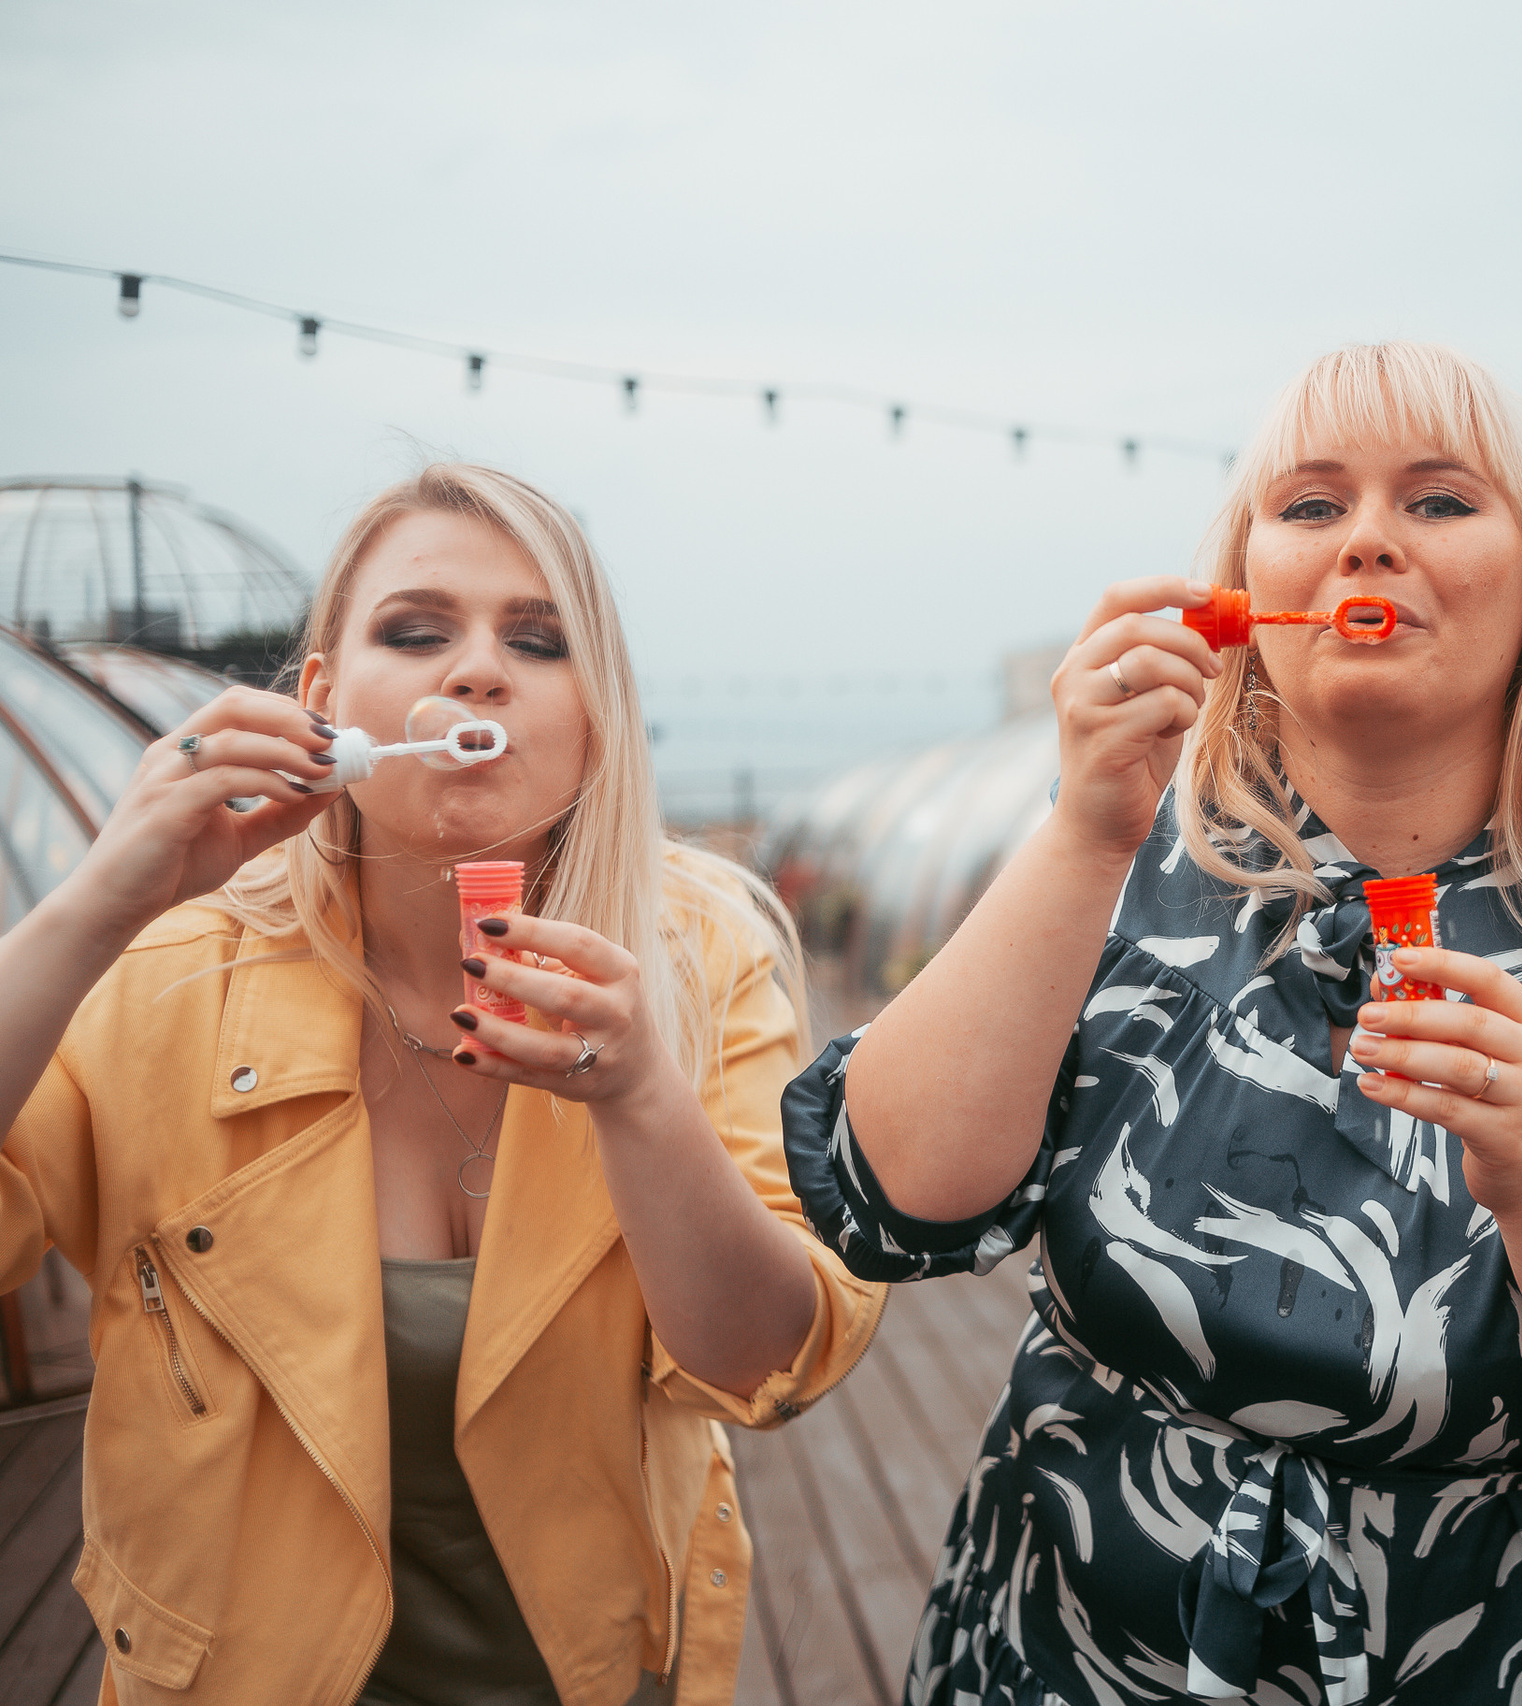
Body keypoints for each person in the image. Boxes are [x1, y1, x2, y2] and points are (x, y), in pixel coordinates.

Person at [784, 343, 1522, 1704]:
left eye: (1440, 500)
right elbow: (885, 1207)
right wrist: (1088, 827)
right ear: (1244, 592)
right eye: (1309, 504)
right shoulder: (1113, 868)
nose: (1366, 541)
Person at [0, 465, 886, 1705]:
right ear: (320, 703)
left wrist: (640, 1095)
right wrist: (96, 905)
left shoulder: (698, 956)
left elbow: (762, 1363)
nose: (476, 671)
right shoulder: (162, 965)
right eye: (416, 632)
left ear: (597, 718)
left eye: (539, 640)